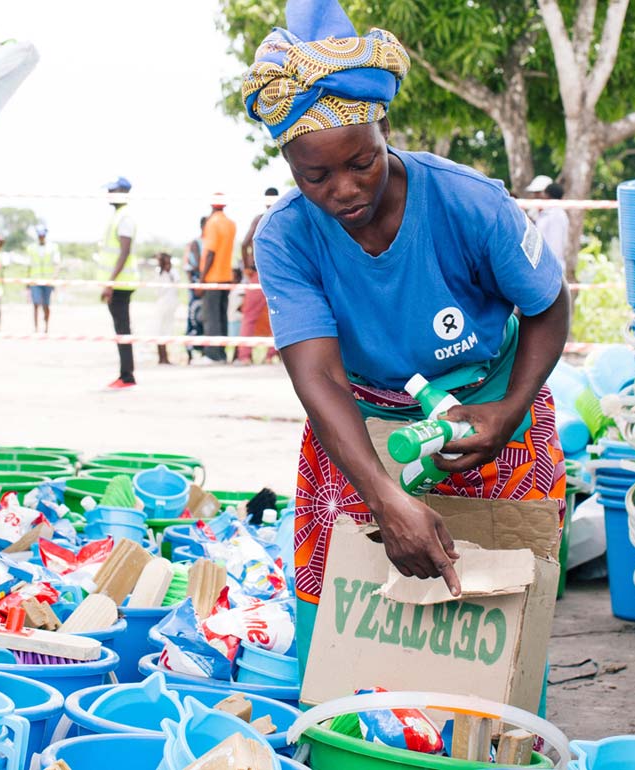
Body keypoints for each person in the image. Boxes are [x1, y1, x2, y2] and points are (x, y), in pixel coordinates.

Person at [242, 0, 569, 672]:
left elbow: (548, 305)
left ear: (384, 130)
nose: (343, 189)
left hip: (490, 398)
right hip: (360, 423)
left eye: (361, 161)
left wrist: (506, 414)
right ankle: (357, 722)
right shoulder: (286, 236)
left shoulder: (469, 203)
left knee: (501, 607)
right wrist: (384, 496)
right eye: (315, 176)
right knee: (350, 608)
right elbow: (319, 378)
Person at [98, 176, 139, 389]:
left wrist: (110, 283)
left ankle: (127, 376)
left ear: (123, 191)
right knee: (121, 329)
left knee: (123, 329)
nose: (109, 194)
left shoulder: (125, 218)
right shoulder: (117, 217)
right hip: (118, 283)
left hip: (121, 285)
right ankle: (125, 374)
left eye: (113, 190)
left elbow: (124, 252)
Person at [236, 187, 280, 365]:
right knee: (276, 314)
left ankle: (245, 356)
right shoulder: (282, 219)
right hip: (276, 274)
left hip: (259, 273)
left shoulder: (261, 219)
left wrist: (247, 268)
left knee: (250, 315)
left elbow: (245, 243)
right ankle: (271, 355)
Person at [197, 193, 236, 364]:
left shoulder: (212, 223)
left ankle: (212, 354)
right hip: (226, 277)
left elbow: (210, 252)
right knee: (221, 316)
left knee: (210, 316)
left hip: (212, 278)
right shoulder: (230, 224)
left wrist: (202, 279)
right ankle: (221, 353)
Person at [525, 176, 569, 273]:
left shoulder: (556, 215)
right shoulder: (539, 213)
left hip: (550, 269)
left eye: (539, 193)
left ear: (547, 193)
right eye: (534, 193)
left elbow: (555, 246)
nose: (535, 196)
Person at [26, 224, 60, 333]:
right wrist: (27, 281)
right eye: (39, 235)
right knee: (36, 304)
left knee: (46, 305)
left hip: (48, 281)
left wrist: (54, 278)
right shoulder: (31, 248)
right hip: (35, 281)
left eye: (42, 235)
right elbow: (29, 265)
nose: (41, 237)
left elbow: (57, 264)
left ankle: (46, 326)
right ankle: (36, 329)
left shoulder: (53, 247)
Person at [183, 216, 206, 363]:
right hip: (198, 286)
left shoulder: (209, 242)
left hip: (205, 285)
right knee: (193, 320)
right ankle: (190, 355)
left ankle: (204, 352)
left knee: (204, 320)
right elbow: (192, 266)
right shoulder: (195, 243)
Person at [155, 251, 179, 364]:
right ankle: (161, 357)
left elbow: (176, 283)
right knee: (160, 330)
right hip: (162, 304)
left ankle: (166, 358)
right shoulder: (158, 272)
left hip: (171, 304)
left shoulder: (173, 272)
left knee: (167, 330)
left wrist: (169, 272)